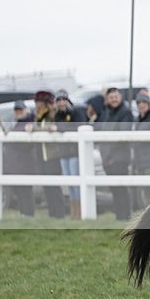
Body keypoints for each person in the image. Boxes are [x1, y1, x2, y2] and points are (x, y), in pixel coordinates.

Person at [27, 90, 66, 219]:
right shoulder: (37, 115)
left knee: (54, 185)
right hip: (40, 153)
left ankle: (59, 212)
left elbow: (48, 128)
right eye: (36, 102)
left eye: (39, 102)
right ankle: (52, 212)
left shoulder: (52, 114)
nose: (37, 105)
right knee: (46, 185)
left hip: (52, 154)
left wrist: (34, 129)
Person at [98, 87, 134, 221]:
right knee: (114, 189)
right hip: (107, 158)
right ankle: (119, 216)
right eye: (111, 97)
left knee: (121, 188)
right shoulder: (106, 113)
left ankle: (125, 216)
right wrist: (105, 157)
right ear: (107, 99)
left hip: (119, 158)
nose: (114, 99)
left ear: (120, 97)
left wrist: (111, 157)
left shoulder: (125, 113)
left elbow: (122, 135)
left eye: (116, 96)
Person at [53, 89, 87, 219]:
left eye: (63, 100)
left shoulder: (76, 112)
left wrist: (59, 128)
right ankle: (74, 212)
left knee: (76, 182)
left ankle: (79, 211)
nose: (61, 103)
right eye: (59, 100)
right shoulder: (57, 115)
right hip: (63, 153)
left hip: (74, 153)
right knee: (69, 183)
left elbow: (78, 127)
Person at [4, 101, 36, 217]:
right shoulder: (14, 124)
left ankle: (28, 213)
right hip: (13, 163)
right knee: (18, 189)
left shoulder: (29, 123)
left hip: (24, 162)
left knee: (25, 190)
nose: (19, 113)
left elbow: (26, 145)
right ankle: (23, 212)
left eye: (21, 110)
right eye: (16, 111)